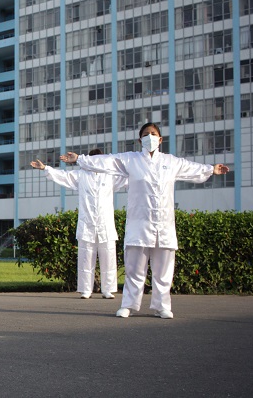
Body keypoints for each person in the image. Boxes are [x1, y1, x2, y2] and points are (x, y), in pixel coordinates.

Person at [62, 123, 229, 319]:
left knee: (163, 270)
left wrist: (211, 169)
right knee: (134, 269)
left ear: (160, 139)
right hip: (138, 224)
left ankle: (162, 306)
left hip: (164, 225)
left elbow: (191, 168)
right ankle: (129, 305)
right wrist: (80, 159)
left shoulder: (170, 162)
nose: (150, 137)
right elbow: (106, 162)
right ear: (140, 140)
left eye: (153, 134)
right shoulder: (131, 160)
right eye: (146, 134)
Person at [31, 149, 127, 299]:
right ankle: (86, 289)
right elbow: (63, 176)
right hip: (87, 223)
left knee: (108, 257)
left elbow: (128, 176)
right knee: (85, 258)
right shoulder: (81, 175)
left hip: (106, 224)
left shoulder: (110, 176)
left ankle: (107, 289)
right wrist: (45, 168)